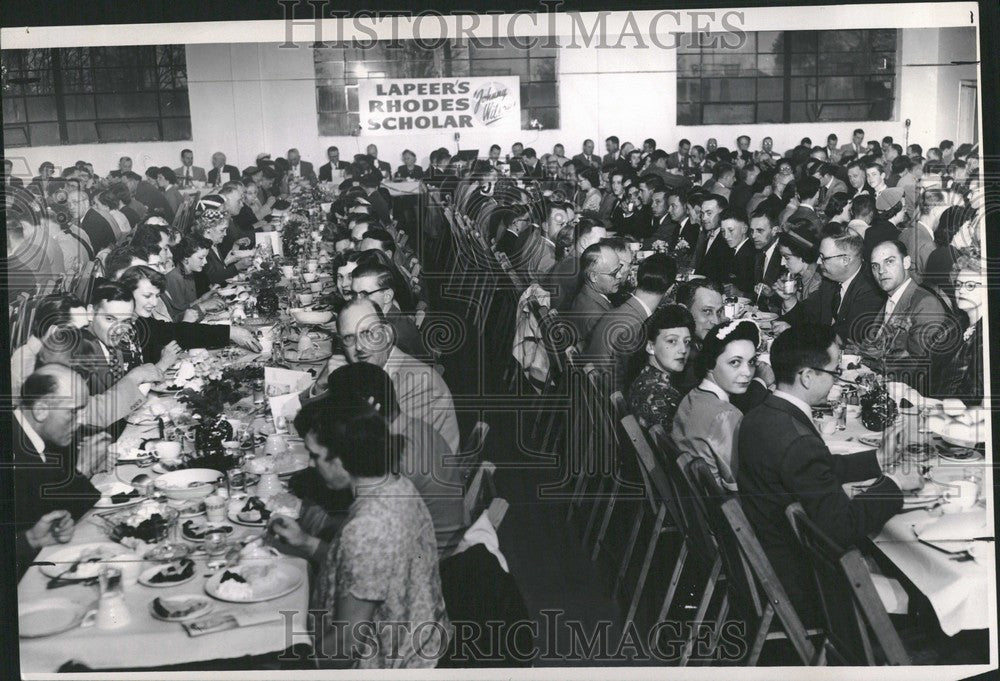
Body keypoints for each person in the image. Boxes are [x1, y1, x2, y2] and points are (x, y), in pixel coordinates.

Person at [737, 323, 920, 620]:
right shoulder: (799, 441)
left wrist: (879, 458)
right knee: (919, 592)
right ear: (808, 377)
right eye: (834, 373)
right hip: (806, 582)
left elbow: (816, 470)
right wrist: (895, 484)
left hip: (774, 555)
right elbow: (842, 527)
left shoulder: (760, 415)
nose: (836, 381)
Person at [272, 398, 448, 669]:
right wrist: (307, 543)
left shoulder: (367, 527)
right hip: (422, 643)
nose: (310, 464)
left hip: (388, 663)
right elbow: (369, 571)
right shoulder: (397, 485)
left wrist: (296, 669)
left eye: (316, 455)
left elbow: (347, 643)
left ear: (342, 458)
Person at [318, 298, 460, 454]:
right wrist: (321, 384)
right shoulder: (366, 371)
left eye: (367, 333)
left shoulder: (419, 382)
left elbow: (397, 453)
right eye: (349, 338)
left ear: (387, 334)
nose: (359, 346)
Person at [12, 365, 105, 536]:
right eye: (74, 412)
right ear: (41, 410)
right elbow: (51, 516)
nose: (80, 421)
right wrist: (83, 469)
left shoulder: (36, 436)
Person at [672, 320, 761, 491]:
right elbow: (736, 484)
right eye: (735, 362)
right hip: (723, 509)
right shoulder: (726, 415)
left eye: (751, 362)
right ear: (710, 363)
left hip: (694, 501)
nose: (747, 372)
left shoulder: (692, 396)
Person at [585, 253, 676, 394]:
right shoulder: (638, 327)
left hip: (593, 392)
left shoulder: (617, 311)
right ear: (670, 289)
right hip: (608, 403)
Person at [777, 229, 885, 345]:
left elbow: (844, 336)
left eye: (823, 257)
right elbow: (809, 315)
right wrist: (789, 299)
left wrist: (796, 332)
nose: (818, 262)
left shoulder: (871, 289)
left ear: (845, 260)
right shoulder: (830, 280)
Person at [627, 305, 694, 434]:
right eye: (672, 341)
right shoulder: (659, 397)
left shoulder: (646, 376)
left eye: (687, 342)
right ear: (651, 347)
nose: (683, 350)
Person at [567, 242, 620, 349]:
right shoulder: (596, 316)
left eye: (620, 268)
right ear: (593, 277)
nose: (620, 275)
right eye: (614, 273)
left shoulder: (585, 295)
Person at [163, 235, 224, 321]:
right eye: (201, 258)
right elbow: (179, 315)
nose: (205, 262)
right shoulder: (174, 278)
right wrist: (203, 303)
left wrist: (202, 299)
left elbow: (188, 306)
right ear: (186, 258)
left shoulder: (191, 273)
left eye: (206, 257)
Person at [719, 208, 755, 297]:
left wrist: (740, 293)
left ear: (744, 229)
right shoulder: (732, 250)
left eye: (731, 230)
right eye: (723, 231)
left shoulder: (750, 254)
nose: (726, 236)